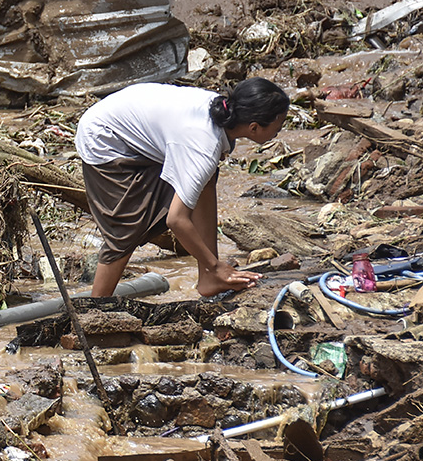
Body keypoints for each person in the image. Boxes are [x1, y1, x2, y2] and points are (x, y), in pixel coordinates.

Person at [74, 77, 290, 298]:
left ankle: (208, 279)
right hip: (104, 138)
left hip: (131, 125)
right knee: (127, 227)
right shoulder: (203, 145)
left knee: (205, 178)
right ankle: (97, 308)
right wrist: (216, 265)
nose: (279, 132)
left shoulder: (221, 113)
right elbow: (176, 220)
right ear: (254, 127)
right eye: (278, 126)